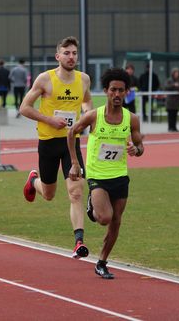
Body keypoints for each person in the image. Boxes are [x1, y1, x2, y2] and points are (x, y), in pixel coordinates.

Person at [19, 36, 93, 258]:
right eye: (67, 53)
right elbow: (24, 107)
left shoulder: (84, 79)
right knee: (49, 194)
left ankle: (79, 242)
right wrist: (50, 120)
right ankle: (34, 180)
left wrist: (88, 116)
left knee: (76, 191)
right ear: (57, 56)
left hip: (72, 142)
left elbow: (87, 101)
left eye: (74, 53)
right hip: (49, 142)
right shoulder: (45, 79)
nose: (71, 57)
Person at [68, 67, 144, 279]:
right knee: (104, 218)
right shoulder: (93, 116)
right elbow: (71, 133)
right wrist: (75, 163)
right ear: (106, 91)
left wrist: (135, 150)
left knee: (116, 221)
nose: (117, 94)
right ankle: (92, 206)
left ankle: (101, 262)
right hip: (98, 176)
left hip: (120, 175)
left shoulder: (132, 119)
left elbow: (140, 147)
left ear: (126, 92)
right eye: (113, 90)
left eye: (121, 90)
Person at [164, 68, 179, 132]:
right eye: (175, 73)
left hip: (177, 100)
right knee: (170, 114)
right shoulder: (169, 80)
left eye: (178, 73)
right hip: (170, 100)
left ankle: (174, 127)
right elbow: (166, 87)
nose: (176, 74)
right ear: (173, 73)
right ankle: (170, 127)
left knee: (175, 114)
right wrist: (173, 85)